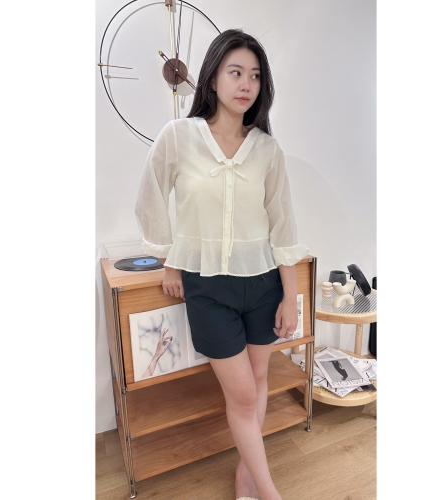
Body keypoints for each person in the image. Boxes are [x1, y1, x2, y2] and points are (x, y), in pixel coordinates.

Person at [135, 29, 309, 500]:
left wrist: (290, 295)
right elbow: (151, 197)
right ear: (212, 77)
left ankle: (246, 474)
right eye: (235, 72)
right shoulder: (178, 137)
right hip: (208, 288)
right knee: (244, 394)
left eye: (255, 75)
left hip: (264, 284)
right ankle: (270, 491)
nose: (246, 84)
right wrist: (170, 260)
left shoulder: (267, 150)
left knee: (259, 381)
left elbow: (283, 226)